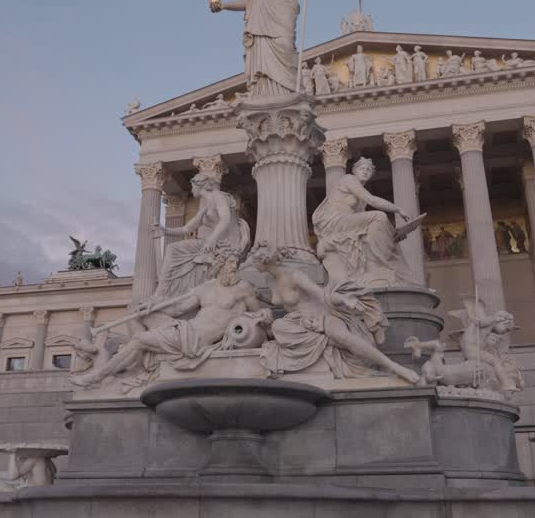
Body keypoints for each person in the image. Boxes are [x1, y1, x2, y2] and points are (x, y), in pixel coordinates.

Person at [72, 246, 265, 386]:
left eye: (235, 262)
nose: (234, 266)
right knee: (137, 312)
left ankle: (100, 375)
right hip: (184, 330)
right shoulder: (204, 289)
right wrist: (153, 306)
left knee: (139, 340)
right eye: (230, 262)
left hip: (196, 341)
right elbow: (178, 310)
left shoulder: (243, 288)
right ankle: (136, 363)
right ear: (220, 264)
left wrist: (267, 315)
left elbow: (259, 315)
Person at [251, 243, 419, 384]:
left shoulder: (295, 276)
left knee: (342, 336)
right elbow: (279, 300)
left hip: (320, 317)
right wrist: (260, 297)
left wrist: (344, 299)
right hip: (297, 322)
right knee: (278, 326)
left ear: (265, 261)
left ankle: (395, 367)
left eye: (254, 259)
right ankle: (324, 343)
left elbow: (322, 294)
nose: (251, 262)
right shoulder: (269, 280)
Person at [311, 157, 414, 287]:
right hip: (334, 221)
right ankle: (383, 264)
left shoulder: (360, 200)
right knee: (379, 216)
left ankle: (387, 269)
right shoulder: (349, 179)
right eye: (362, 168)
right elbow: (372, 200)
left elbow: (366, 224)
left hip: (346, 222)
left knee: (378, 227)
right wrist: (398, 209)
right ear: (354, 171)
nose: (365, 171)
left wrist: (391, 234)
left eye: (369, 170)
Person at [151, 173, 249, 302]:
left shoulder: (218, 197)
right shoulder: (205, 206)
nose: (192, 190)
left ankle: (162, 293)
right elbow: (187, 229)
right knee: (172, 249)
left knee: (174, 250)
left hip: (227, 244)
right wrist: (165, 230)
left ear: (199, 186)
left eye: (192, 186)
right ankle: (162, 293)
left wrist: (211, 239)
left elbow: (225, 220)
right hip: (213, 243)